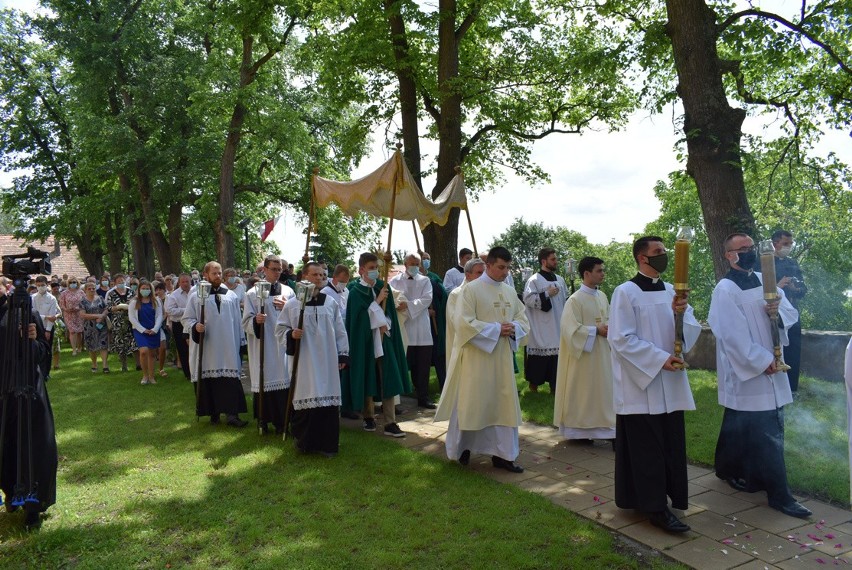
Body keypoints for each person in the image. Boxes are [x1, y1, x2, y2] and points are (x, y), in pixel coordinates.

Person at [708, 233, 811, 519]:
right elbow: (729, 333)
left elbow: (789, 314)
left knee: (761, 427)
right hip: (753, 369)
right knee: (766, 431)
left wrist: (776, 313)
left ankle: (748, 476)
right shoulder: (725, 289)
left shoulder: (765, 280)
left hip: (771, 365)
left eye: (752, 247)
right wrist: (762, 361)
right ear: (729, 255)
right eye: (743, 249)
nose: (750, 252)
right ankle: (780, 495)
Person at [608, 236, 700, 533]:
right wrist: (659, 359)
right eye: (657, 252)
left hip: (669, 382)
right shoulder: (626, 292)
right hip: (642, 384)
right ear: (641, 258)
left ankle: (663, 498)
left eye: (664, 251)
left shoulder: (674, 291)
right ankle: (655, 508)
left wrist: (680, 313)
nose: (664, 256)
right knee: (646, 449)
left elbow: (691, 330)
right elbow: (621, 338)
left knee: (670, 445)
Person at [435, 246, 530, 473]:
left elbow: (523, 319)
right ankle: (464, 448)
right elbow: (463, 323)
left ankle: (504, 455)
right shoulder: (471, 290)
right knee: (473, 403)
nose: (505, 272)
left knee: (502, 405)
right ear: (489, 266)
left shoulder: (508, 292)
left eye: (507, 268)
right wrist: (497, 329)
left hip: (502, 361)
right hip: (477, 360)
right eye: (501, 267)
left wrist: (514, 327)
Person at [0, 282, 57, 528]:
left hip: (28, 386)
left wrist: (32, 341)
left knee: (35, 443)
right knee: (6, 443)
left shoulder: (28, 312)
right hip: (3, 388)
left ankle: (34, 505)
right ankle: (11, 492)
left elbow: (42, 354)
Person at [278, 262, 349, 455]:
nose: (319, 278)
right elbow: (280, 329)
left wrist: (343, 353)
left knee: (328, 399)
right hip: (304, 361)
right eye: (315, 274)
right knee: (305, 396)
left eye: (322, 275)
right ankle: (305, 443)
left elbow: (340, 331)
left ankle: (327, 445)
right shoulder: (293, 305)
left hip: (327, 359)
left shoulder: (330, 303)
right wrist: (292, 334)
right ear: (305, 277)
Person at [341, 252, 411, 438]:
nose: (375, 272)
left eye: (377, 268)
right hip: (365, 342)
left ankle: (390, 421)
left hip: (383, 338)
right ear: (361, 270)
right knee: (367, 376)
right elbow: (358, 320)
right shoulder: (355, 292)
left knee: (388, 376)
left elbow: (390, 315)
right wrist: (378, 301)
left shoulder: (383, 286)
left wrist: (385, 324)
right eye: (371, 269)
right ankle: (369, 416)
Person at [553, 256, 614, 443]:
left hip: (602, 354)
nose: (603, 273)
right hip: (584, 358)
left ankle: (608, 431)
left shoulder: (602, 296)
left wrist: (610, 327)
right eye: (599, 270)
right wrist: (596, 330)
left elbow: (609, 318)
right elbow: (569, 330)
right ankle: (579, 432)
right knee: (584, 392)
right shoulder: (574, 300)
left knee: (603, 392)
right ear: (586, 273)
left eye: (603, 270)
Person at [182, 261, 248, 427]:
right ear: (206, 275)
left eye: (220, 273)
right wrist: (195, 326)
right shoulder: (196, 295)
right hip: (208, 347)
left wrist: (241, 342)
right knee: (209, 379)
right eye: (214, 273)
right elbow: (187, 318)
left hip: (227, 346)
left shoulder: (231, 296)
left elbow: (237, 321)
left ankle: (232, 415)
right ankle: (213, 413)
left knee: (230, 380)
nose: (218, 276)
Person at [243, 255, 294, 434]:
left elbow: (297, 315)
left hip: (281, 345)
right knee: (264, 379)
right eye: (274, 269)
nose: (278, 273)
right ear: (264, 270)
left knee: (283, 379)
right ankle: (263, 420)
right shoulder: (252, 293)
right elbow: (246, 321)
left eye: (280, 269)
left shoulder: (288, 292)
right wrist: (256, 320)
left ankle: (282, 422)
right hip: (262, 344)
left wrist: (288, 306)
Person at [390, 253, 435, 409]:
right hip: (404, 326)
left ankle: (423, 396)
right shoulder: (395, 281)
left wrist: (408, 305)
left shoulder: (425, 280)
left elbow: (427, 299)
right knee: (401, 364)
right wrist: (398, 305)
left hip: (421, 327)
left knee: (423, 366)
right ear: (405, 263)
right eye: (412, 263)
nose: (415, 266)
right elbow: (392, 298)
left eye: (417, 263)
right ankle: (397, 400)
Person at [523, 247, 568, 393]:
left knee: (557, 359)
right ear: (544, 261)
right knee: (539, 357)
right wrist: (547, 293)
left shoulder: (560, 279)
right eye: (553, 259)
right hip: (542, 325)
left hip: (558, 324)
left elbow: (566, 300)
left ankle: (555, 387)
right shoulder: (534, 280)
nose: (556, 261)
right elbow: (528, 299)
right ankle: (534, 386)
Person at [772, 230, 807, 393]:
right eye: (786, 243)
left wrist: (796, 288)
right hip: (774, 312)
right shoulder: (764, 262)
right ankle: (776, 385)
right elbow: (758, 290)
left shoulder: (793, 263)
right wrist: (777, 286)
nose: (789, 247)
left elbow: (803, 289)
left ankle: (792, 388)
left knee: (794, 348)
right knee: (777, 347)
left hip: (792, 311)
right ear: (775, 243)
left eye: (791, 244)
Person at [445, 258, 486, 365]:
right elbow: (458, 323)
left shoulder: (485, 292)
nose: (483, 276)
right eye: (479, 273)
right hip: (465, 345)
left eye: (484, 273)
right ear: (468, 275)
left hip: (486, 343)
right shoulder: (456, 295)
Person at [420, 252, 448, 390]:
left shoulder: (433, 277)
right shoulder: (412, 279)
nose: (425, 261)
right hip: (420, 325)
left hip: (435, 324)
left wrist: (429, 282)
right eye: (423, 259)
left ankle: (444, 384)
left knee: (439, 355)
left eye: (427, 259)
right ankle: (421, 390)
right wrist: (426, 311)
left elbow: (443, 295)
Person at [129, 280, 164, 385]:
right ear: (139, 290)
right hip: (140, 330)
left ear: (151, 289)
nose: (145, 290)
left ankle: (151, 376)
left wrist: (155, 329)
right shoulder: (134, 302)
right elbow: (132, 318)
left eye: (147, 288)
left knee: (152, 354)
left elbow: (159, 316)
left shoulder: (156, 301)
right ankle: (145, 375)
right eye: (143, 288)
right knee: (143, 351)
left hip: (153, 330)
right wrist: (143, 330)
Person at [106, 274, 139, 372]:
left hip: (131, 319)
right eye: (119, 281)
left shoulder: (131, 291)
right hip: (118, 321)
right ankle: (124, 365)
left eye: (122, 281)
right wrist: (118, 307)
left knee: (134, 341)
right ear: (115, 283)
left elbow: (136, 302)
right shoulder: (111, 293)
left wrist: (128, 306)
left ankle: (138, 364)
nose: (121, 283)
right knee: (121, 343)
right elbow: (108, 308)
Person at [32, 276, 61, 379]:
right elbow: (33, 314)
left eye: (42, 285)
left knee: (47, 350)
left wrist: (48, 330)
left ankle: (46, 372)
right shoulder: (33, 297)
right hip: (36, 327)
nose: (40, 287)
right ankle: (37, 370)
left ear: (46, 284)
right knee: (36, 349)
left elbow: (52, 316)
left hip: (47, 327)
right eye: (38, 285)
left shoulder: (51, 298)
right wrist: (45, 317)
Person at [165, 273, 192, 380]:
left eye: (187, 281)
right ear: (179, 283)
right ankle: (188, 374)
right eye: (183, 282)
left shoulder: (195, 292)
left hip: (193, 323)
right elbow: (170, 310)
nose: (185, 284)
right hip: (179, 325)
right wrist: (186, 310)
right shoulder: (174, 295)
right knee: (183, 349)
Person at [80, 281, 109, 372]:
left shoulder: (100, 298)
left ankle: (105, 365)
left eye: (93, 288)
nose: (92, 290)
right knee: (91, 346)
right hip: (89, 326)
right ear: (85, 290)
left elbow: (106, 309)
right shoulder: (82, 301)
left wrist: (102, 316)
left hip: (101, 325)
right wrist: (97, 316)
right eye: (89, 289)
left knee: (103, 344)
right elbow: (83, 315)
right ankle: (94, 364)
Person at [59, 276, 84, 355]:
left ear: (77, 283)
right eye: (71, 282)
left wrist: (79, 308)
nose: (72, 284)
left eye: (74, 282)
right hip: (69, 314)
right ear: (68, 284)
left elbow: (84, 303)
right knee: (72, 331)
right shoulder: (64, 293)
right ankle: (74, 349)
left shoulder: (81, 292)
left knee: (79, 331)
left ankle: (79, 347)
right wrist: (66, 309)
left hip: (79, 314)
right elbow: (61, 304)